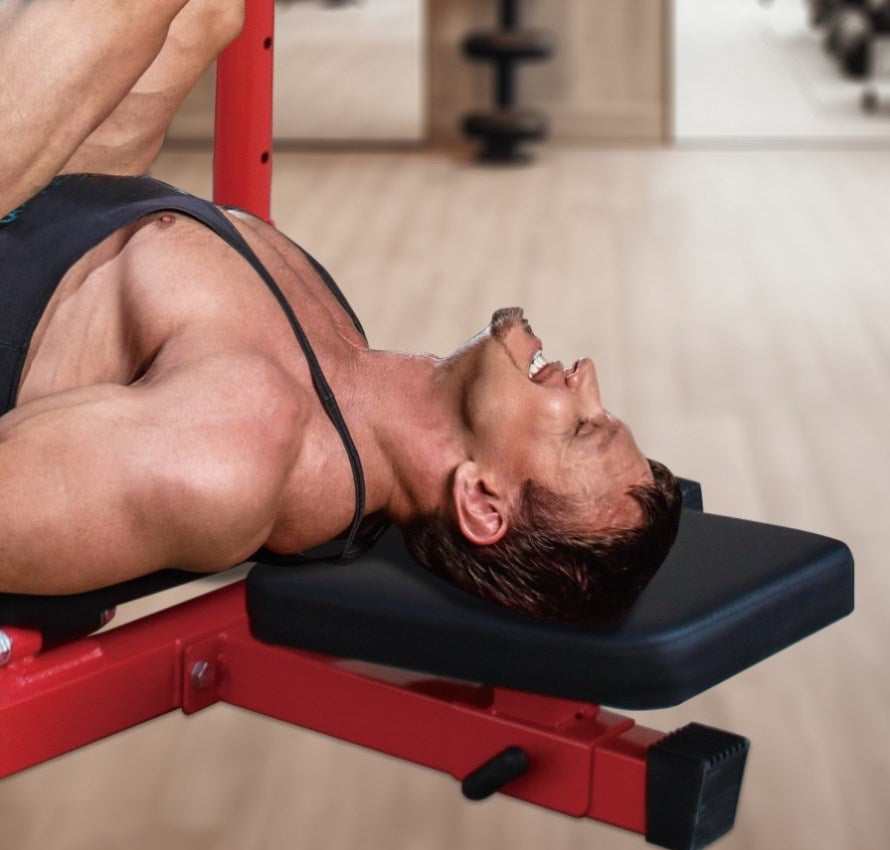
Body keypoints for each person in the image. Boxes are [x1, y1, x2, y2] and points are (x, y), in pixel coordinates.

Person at [0, 0, 681, 623]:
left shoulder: (237, 454)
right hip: (57, 215)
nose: (586, 376)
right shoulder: (347, 365)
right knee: (210, 12)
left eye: (581, 427)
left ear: (481, 500)